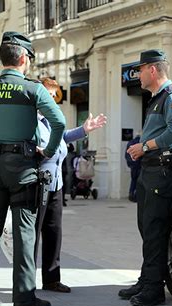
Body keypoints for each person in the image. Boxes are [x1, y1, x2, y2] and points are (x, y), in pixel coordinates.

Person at [0, 31, 66, 306]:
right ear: (24, 58)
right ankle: (24, 301)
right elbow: (59, 122)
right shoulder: (33, 89)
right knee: (25, 234)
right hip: (22, 168)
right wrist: (47, 152)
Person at [120, 49, 172, 306]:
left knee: (155, 229)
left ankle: (153, 289)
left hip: (161, 171)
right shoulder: (155, 99)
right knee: (147, 229)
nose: (137, 74)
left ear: (152, 69)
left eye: (139, 70)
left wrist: (145, 146)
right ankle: (147, 279)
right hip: (149, 171)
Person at [35, 78, 107, 293]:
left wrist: (84, 130)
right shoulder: (30, 120)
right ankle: (25, 282)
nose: (53, 100)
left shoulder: (51, 119)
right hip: (37, 182)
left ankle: (51, 279)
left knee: (53, 231)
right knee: (33, 234)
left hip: (56, 182)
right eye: (49, 95)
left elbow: (62, 137)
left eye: (55, 96)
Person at [125, 134, 141, 202]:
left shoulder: (130, 143)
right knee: (139, 181)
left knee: (133, 180)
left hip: (133, 165)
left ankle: (131, 194)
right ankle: (137, 195)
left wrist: (130, 164)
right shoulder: (140, 143)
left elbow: (126, 155)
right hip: (140, 165)